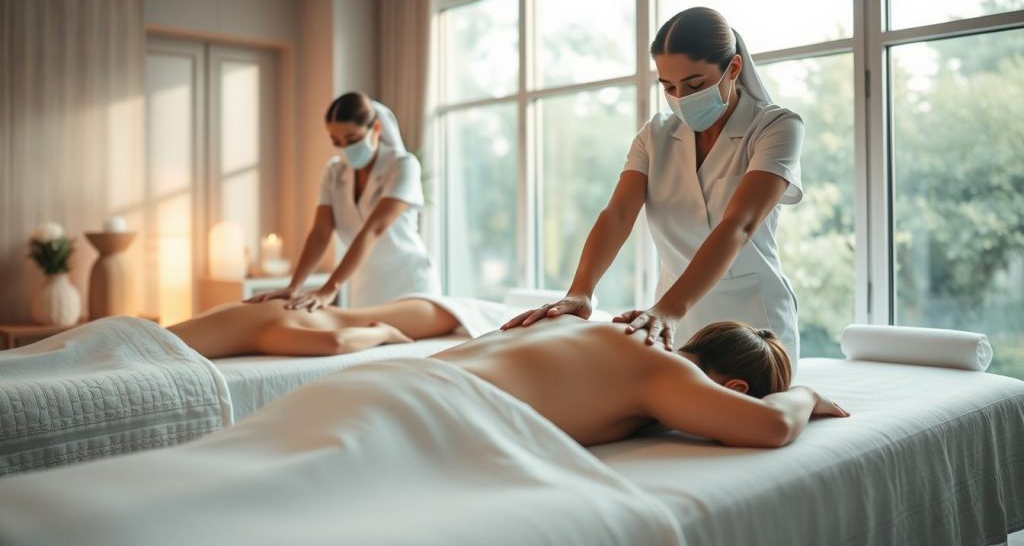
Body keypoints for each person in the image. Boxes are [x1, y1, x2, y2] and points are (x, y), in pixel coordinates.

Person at [503, 7, 805, 366]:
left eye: (695, 85)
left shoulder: (775, 127)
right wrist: (581, 291)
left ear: (734, 69)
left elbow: (737, 225)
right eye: (669, 86)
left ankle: (803, 400)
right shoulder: (656, 135)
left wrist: (669, 309)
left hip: (751, 328)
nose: (681, 97)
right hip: (670, 321)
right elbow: (617, 214)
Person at [167, 299, 846, 447]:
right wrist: (807, 394)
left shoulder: (590, 322)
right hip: (417, 416)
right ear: (727, 383)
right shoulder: (667, 375)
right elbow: (767, 427)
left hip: (383, 383)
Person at [247, 92, 439, 310]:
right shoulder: (334, 173)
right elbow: (320, 232)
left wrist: (329, 289)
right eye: (336, 141)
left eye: (352, 139)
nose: (345, 148)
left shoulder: (402, 166)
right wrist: (294, 286)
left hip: (410, 283)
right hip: (367, 288)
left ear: (375, 129)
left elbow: (373, 230)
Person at [167, 298, 458, 359]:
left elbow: (335, 342)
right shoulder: (266, 327)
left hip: (158, 336)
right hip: (155, 336)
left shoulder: (270, 328)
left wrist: (383, 333)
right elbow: (336, 341)